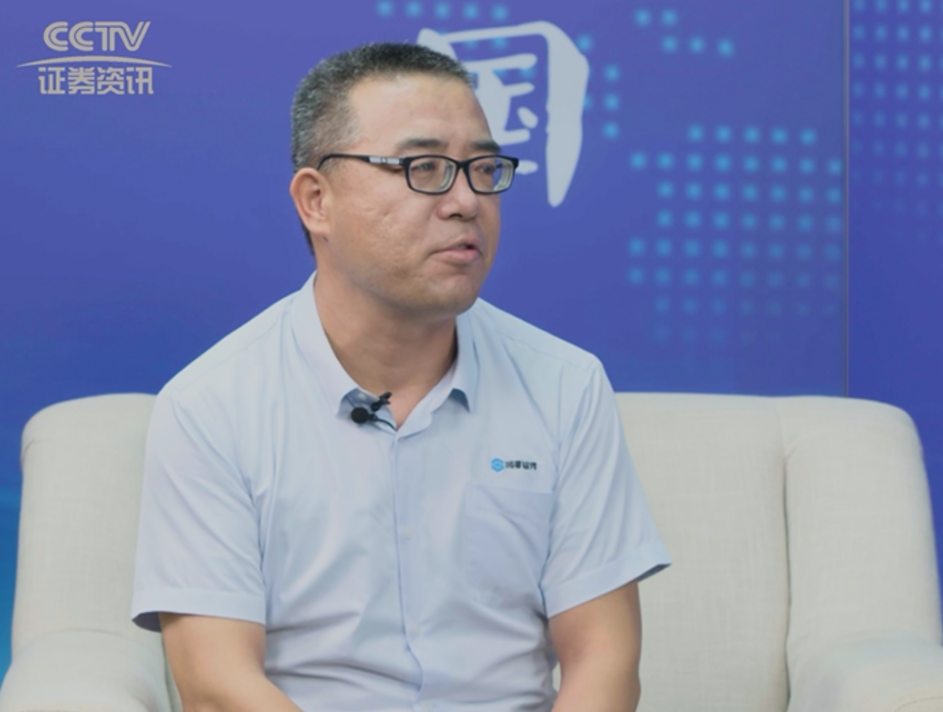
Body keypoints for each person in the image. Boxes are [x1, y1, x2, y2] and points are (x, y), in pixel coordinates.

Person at [130, 42, 670, 712]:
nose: (466, 201)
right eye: (425, 168)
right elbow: (217, 686)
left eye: (483, 169)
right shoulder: (212, 405)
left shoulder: (566, 386)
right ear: (316, 200)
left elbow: (604, 660)